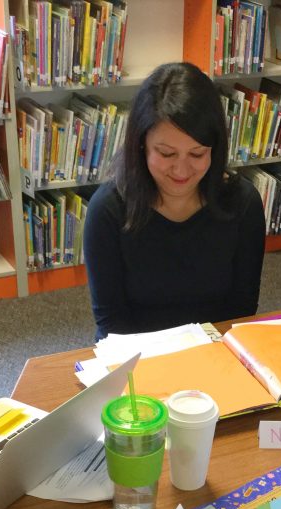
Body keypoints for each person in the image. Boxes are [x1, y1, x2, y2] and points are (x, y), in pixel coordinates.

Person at [84, 62, 266, 340]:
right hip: (135, 356)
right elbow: (112, 322)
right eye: (167, 153)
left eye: (197, 154)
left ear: (214, 150)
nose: (181, 171)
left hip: (214, 351)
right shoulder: (108, 210)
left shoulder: (242, 204)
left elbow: (240, 310)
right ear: (141, 143)